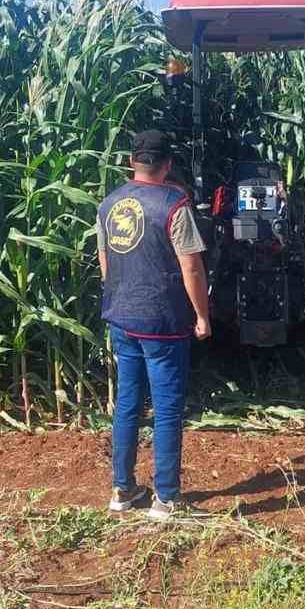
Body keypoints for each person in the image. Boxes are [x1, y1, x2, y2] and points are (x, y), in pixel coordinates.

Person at [98, 129, 212, 518]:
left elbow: (105, 260)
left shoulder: (110, 204)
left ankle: (122, 490)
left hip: (121, 316)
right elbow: (191, 266)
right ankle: (166, 497)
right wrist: (201, 314)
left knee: (127, 401)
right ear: (168, 165)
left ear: (132, 162)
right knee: (166, 408)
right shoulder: (175, 205)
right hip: (162, 322)